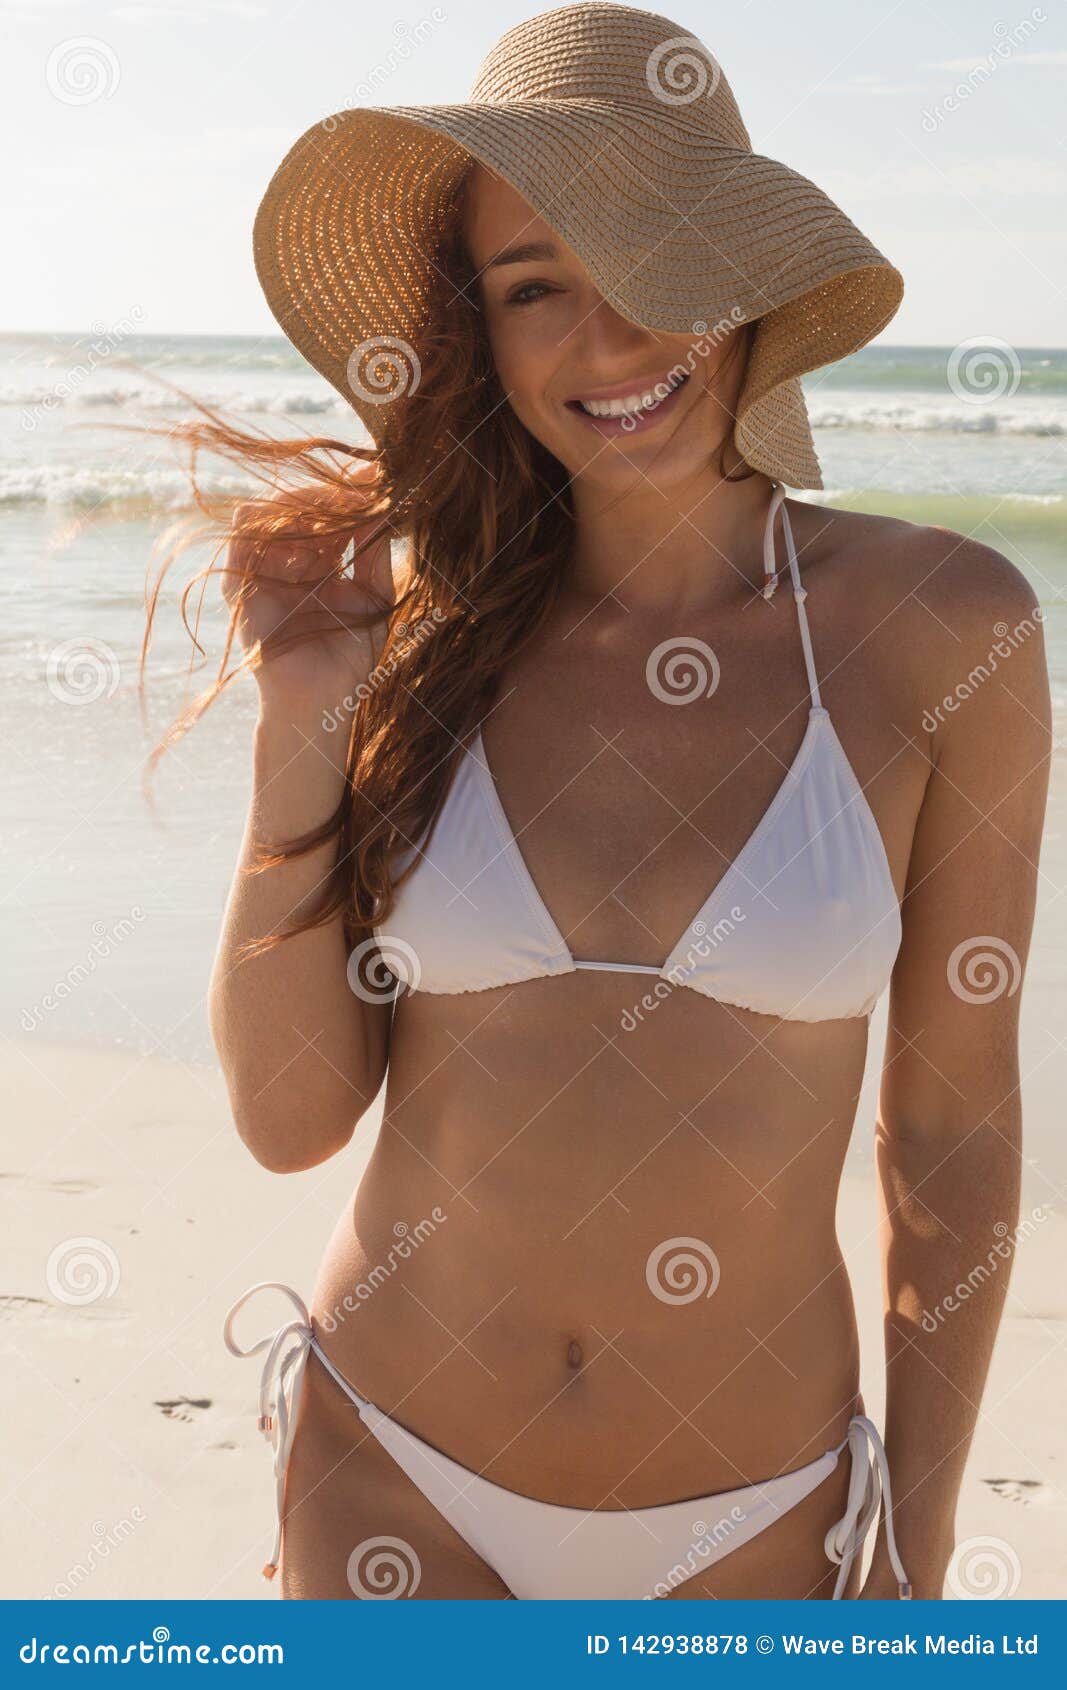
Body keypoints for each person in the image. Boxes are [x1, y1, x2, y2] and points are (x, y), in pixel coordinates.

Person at [165, 3, 1049, 1599]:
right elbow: (289, 1121)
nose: (612, 338)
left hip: (757, 1522)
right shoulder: (424, 639)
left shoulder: (945, 629)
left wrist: (915, 1543)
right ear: (478, 335)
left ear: (746, 274)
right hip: (392, 1476)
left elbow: (951, 1128)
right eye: (533, 288)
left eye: (656, 259)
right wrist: (303, 718)